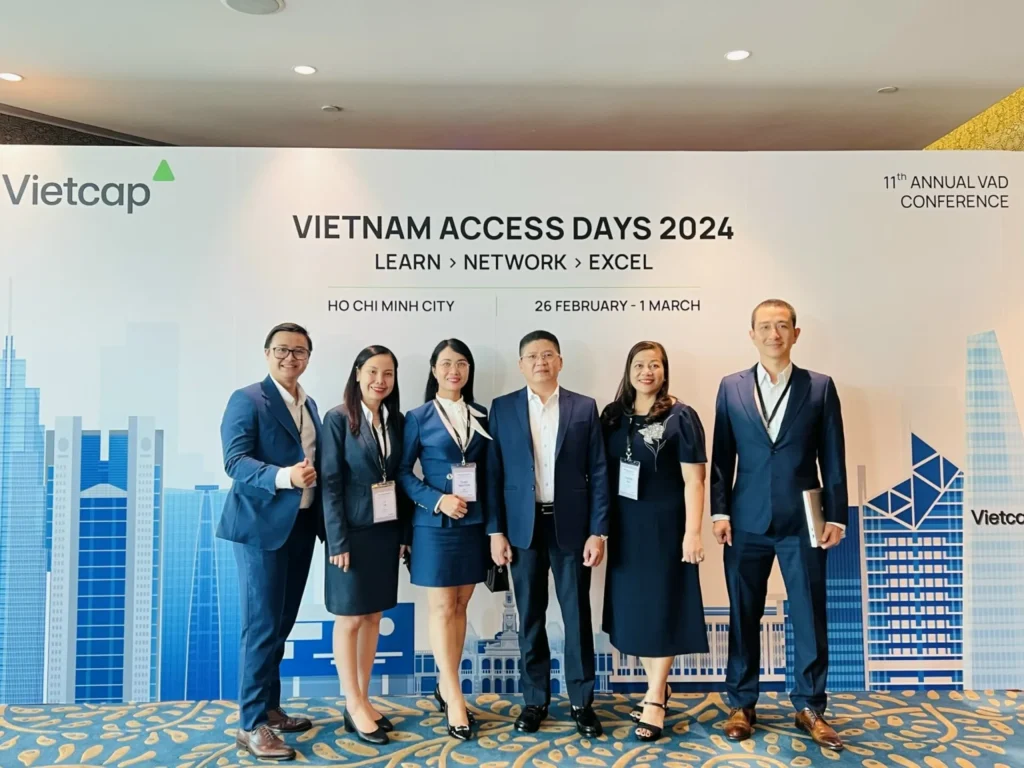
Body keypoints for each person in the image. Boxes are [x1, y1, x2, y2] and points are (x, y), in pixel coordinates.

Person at [710, 299, 848, 751]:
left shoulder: (819, 387)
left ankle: (810, 706)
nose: (774, 334)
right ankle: (741, 703)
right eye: (765, 327)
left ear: (795, 333)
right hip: (745, 520)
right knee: (742, 612)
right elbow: (721, 456)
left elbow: (833, 456)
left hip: (802, 521)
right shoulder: (730, 387)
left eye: (783, 326)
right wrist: (719, 512)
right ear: (752, 334)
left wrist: (837, 515)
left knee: (809, 613)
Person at [487, 330, 610, 738]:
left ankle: (581, 702)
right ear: (521, 365)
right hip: (522, 529)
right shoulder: (502, 408)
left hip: (571, 528)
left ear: (560, 361)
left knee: (577, 616)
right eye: (532, 356)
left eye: (548, 355)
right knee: (530, 616)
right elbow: (493, 474)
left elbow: (599, 472)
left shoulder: (583, 407)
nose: (540, 362)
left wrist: (598, 532)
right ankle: (535, 700)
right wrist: (495, 531)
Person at [217, 322, 324, 762]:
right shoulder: (247, 399)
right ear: (266, 354)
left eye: (299, 351)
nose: (289, 358)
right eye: (281, 350)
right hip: (261, 528)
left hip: (300, 526)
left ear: (308, 357)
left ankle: (270, 709)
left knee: (281, 623)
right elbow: (235, 461)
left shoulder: (309, 403)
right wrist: (284, 477)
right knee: (261, 626)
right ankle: (250, 724)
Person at [600, 341, 709, 741]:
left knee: (663, 609)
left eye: (655, 365)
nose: (647, 372)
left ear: (665, 371)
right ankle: (657, 689)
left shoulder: (681, 416)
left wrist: (692, 532)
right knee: (638, 614)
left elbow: (694, 480)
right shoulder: (613, 416)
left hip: (667, 527)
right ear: (628, 370)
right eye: (640, 364)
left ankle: (654, 699)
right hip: (626, 528)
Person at [398, 338, 490, 742]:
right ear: (434, 369)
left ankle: (443, 683)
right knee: (440, 608)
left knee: (460, 605)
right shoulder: (417, 417)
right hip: (434, 527)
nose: (455, 371)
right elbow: (402, 473)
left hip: (473, 524)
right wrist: (437, 500)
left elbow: (491, 471)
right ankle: (454, 696)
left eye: (462, 364)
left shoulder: (482, 414)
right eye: (447, 363)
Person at [322, 345, 410, 745]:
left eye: (387, 373)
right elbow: (330, 483)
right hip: (351, 535)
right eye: (372, 371)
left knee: (373, 616)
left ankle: (363, 698)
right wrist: (337, 540)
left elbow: (401, 478)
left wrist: (404, 535)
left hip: (385, 532)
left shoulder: (397, 420)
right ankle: (352, 701)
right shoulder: (338, 419)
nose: (380, 380)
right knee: (350, 619)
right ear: (357, 373)